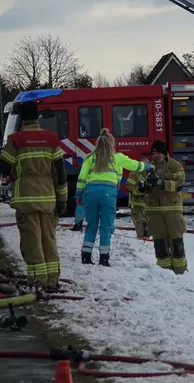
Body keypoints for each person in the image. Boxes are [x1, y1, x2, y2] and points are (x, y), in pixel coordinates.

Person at [0, 100, 68, 290]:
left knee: (32, 242)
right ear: (37, 117)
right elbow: (60, 174)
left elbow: (4, 168)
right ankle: (52, 280)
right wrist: (62, 199)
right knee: (49, 240)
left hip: (26, 200)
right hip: (48, 199)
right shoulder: (52, 139)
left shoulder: (16, 140)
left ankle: (38, 282)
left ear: (22, 118)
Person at [76, 128, 152, 266]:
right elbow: (134, 165)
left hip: (91, 194)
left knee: (91, 224)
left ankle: (86, 256)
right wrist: (147, 166)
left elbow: (81, 178)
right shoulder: (117, 157)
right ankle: (104, 259)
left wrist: (79, 195)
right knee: (106, 226)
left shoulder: (90, 158)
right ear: (112, 144)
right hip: (108, 194)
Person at [144, 141, 188, 274]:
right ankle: (164, 272)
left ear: (164, 153)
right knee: (160, 245)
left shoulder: (175, 165)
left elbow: (180, 183)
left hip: (172, 209)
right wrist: (142, 187)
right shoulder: (147, 167)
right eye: (153, 153)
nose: (155, 155)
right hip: (154, 211)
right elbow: (137, 187)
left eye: (158, 153)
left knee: (177, 243)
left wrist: (162, 183)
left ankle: (181, 272)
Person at [125, 159, 150, 239]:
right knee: (139, 222)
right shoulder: (134, 173)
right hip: (136, 203)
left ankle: (147, 240)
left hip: (148, 204)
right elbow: (128, 186)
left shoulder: (151, 174)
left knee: (149, 223)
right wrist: (139, 190)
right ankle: (141, 239)